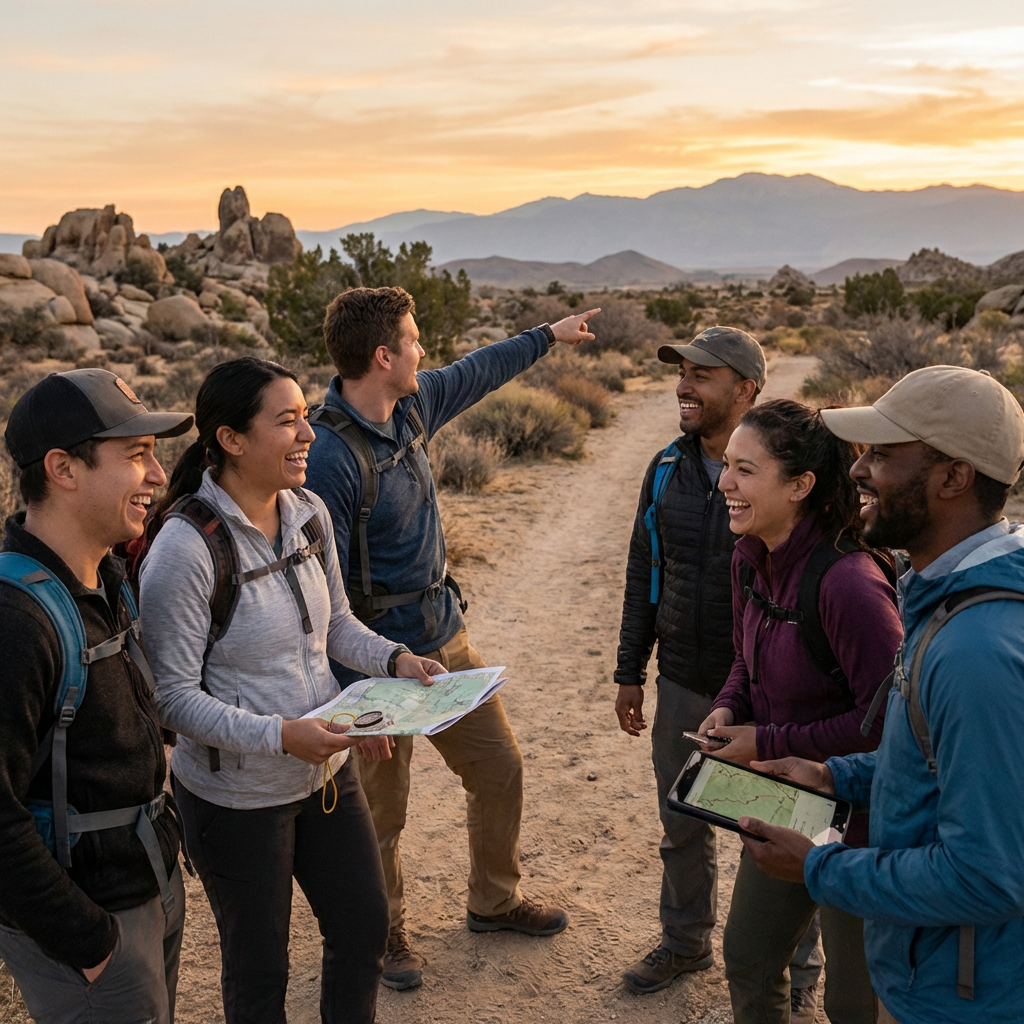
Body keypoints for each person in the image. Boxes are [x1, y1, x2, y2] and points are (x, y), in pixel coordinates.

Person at [303, 286, 598, 989]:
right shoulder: (329, 458)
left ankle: (494, 901)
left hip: (445, 640)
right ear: (383, 356)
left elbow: (480, 367)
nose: (424, 350)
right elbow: (324, 598)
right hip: (376, 667)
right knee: (380, 815)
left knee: (499, 769)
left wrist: (548, 335)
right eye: (413, 338)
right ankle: (384, 933)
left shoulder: (411, 404)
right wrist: (354, 696)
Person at [137, 357, 444, 1024]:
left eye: (306, 416)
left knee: (362, 931)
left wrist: (396, 661)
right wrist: (281, 736)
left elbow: (335, 624)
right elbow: (171, 698)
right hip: (235, 801)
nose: (308, 434)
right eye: (287, 421)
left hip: (325, 776)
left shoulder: (306, 512)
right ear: (231, 439)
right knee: (260, 975)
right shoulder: (185, 551)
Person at [736, 366, 1024, 1024]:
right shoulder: (944, 596)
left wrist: (821, 868)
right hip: (944, 976)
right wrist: (835, 775)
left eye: (884, 455)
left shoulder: (976, 652)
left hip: (965, 999)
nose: (859, 471)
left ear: (954, 477)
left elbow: (987, 876)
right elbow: (934, 761)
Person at [699, 398, 902, 1024]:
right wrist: (731, 706)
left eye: (745, 470)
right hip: (784, 802)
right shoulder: (749, 557)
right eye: (727, 466)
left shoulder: (851, 586)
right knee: (750, 956)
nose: (725, 483)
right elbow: (745, 658)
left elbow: (888, 726)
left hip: (865, 825)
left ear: (800, 485)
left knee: (854, 1000)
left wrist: (766, 740)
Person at [0, 369, 193, 1024]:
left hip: (149, 885)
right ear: (63, 468)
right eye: (136, 455)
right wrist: (88, 943)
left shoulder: (107, 573)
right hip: (92, 926)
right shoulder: (15, 621)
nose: (159, 476)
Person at [614, 326, 770, 994]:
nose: (684, 385)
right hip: (681, 678)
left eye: (702, 375)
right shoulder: (668, 468)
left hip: (766, 696)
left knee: (771, 837)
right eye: (683, 373)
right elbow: (643, 570)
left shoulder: (785, 473)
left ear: (746, 390)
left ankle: (794, 968)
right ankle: (685, 944)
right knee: (682, 823)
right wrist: (629, 670)